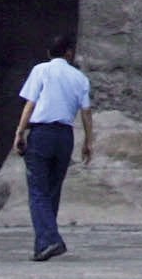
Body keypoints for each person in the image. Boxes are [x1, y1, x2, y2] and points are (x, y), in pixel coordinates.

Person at [11, 34, 93, 262]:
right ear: (69, 52)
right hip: (65, 136)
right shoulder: (80, 78)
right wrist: (88, 141)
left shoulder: (41, 70)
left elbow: (31, 102)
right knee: (52, 190)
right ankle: (43, 245)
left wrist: (20, 131)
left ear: (49, 53)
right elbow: (86, 112)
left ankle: (49, 239)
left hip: (42, 133)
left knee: (37, 191)